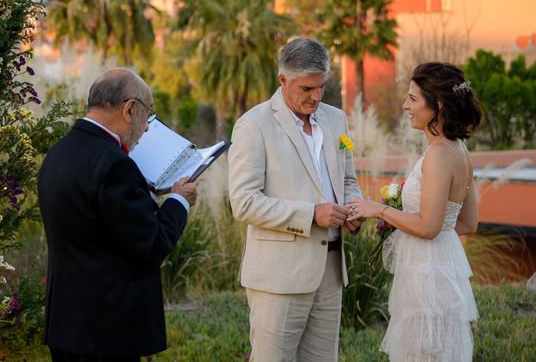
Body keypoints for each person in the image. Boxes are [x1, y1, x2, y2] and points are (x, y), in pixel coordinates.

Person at [38, 67, 198, 362]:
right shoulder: (115, 164)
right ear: (129, 109)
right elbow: (151, 245)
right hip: (106, 329)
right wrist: (178, 200)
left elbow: (97, 224)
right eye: (147, 115)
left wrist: (145, 197)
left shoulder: (58, 152)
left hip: (67, 321)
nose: (147, 127)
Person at [228, 37, 363, 362]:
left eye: (321, 87)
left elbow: (347, 180)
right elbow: (243, 202)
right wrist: (311, 215)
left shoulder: (336, 120)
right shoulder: (253, 125)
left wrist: (354, 207)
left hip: (330, 272)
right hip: (279, 278)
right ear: (283, 81)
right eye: (306, 89)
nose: (316, 97)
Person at [347, 62, 482, 361]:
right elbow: (468, 222)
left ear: (439, 105)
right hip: (445, 264)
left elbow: (428, 227)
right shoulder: (460, 150)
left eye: (413, 98)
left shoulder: (437, 154)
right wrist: (417, 223)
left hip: (428, 272)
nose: (405, 105)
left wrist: (379, 210)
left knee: (421, 350)